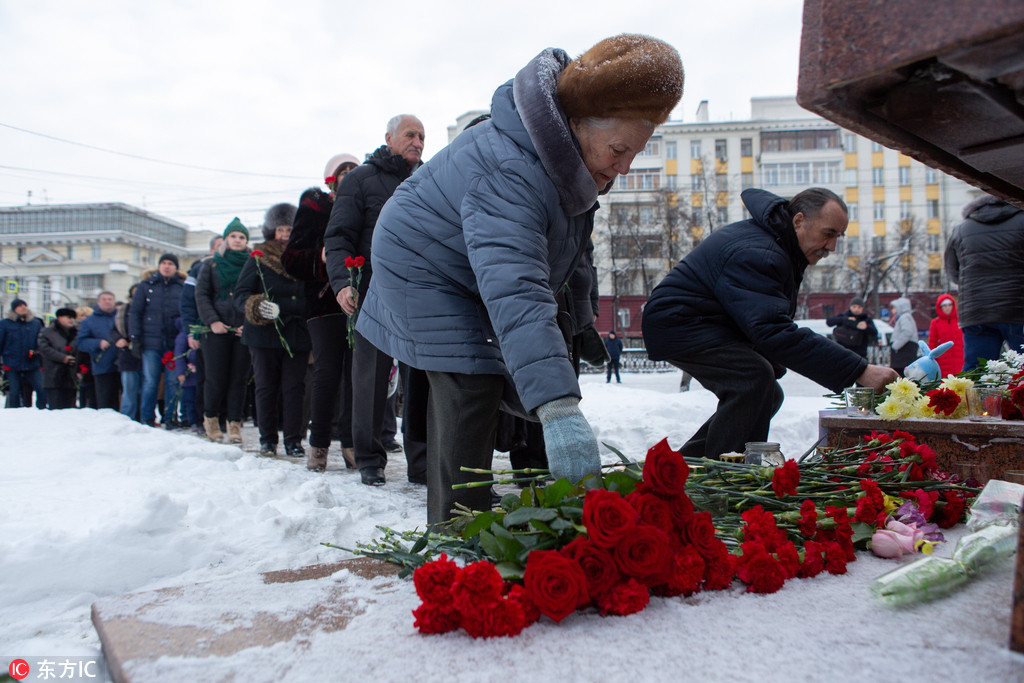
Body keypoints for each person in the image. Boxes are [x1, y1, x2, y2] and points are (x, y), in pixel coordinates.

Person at [357, 34, 683, 523]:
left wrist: (579, 331)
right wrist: (557, 407)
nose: (625, 166)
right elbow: (517, 286)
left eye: (634, 154)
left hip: (464, 267)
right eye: (619, 149)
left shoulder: (568, 167)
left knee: (505, 379)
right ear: (576, 124)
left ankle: (474, 516)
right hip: (421, 265)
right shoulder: (514, 169)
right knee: (472, 382)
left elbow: (559, 264)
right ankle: (458, 536)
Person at [643, 187, 899, 461]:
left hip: (701, 322)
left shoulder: (778, 245)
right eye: (828, 234)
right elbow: (772, 329)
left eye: (838, 236)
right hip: (680, 322)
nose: (832, 247)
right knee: (752, 380)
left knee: (765, 393)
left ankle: (686, 468)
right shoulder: (761, 252)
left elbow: (764, 320)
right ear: (799, 221)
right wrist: (858, 370)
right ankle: (723, 478)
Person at [324, 115, 427, 487]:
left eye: (422, 136)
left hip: (420, 293)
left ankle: (422, 461)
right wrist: (341, 283)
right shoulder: (360, 180)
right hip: (371, 290)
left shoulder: (428, 180)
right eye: (410, 135)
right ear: (388, 138)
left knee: (421, 380)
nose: (417, 141)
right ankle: (369, 459)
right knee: (369, 377)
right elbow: (337, 238)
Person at [282, 153, 360, 472]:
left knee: (358, 376)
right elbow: (292, 259)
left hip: (358, 302)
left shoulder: (364, 206)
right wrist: (323, 257)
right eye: (343, 171)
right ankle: (319, 446)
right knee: (327, 373)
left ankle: (355, 443)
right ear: (331, 178)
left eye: (355, 171)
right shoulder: (314, 207)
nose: (349, 175)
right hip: (324, 302)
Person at [236, 203, 311, 457]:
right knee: (266, 387)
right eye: (280, 229)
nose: (285, 234)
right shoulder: (258, 257)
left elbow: (312, 293)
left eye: (290, 228)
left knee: (294, 388)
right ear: (272, 231)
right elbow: (241, 294)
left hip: (297, 332)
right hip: (264, 333)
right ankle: (267, 439)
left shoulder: (304, 256)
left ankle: (293, 440)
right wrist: (257, 306)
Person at [944, 194, 1024, 370]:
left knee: (978, 372)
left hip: (976, 311)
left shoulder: (961, 229)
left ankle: (977, 398)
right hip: (1018, 310)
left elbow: (953, 272)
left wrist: (975, 286)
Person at [196, 218, 251, 444]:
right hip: (216, 330)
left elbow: (256, 295)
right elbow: (201, 295)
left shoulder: (252, 264)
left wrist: (248, 323)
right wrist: (212, 321)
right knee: (216, 378)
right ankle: (211, 420)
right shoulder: (211, 265)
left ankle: (234, 424)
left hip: (242, 329)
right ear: (226, 239)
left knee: (238, 379)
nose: (237, 240)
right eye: (233, 236)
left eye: (242, 237)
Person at [131, 253, 185, 426]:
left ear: (176, 267)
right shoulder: (146, 286)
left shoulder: (182, 287)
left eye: (170, 263)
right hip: (150, 342)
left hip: (174, 342)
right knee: (150, 381)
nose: (167, 266)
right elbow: (135, 313)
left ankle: (170, 417)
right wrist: (135, 337)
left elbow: (187, 311)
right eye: (163, 263)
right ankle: (147, 417)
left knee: (172, 382)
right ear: (159, 266)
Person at [181, 235, 223, 432]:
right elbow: (188, 303)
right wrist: (191, 332)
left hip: (229, 329)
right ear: (212, 250)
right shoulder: (200, 268)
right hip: (204, 328)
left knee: (227, 377)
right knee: (205, 377)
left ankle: (223, 419)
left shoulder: (240, 265)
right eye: (219, 246)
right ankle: (200, 419)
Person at [75, 291, 120, 409]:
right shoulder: (89, 321)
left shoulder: (120, 318)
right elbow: (80, 342)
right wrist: (97, 343)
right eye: (104, 299)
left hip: (122, 364)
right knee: (105, 401)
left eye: (110, 299)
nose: (107, 302)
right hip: (102, 365)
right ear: (98, 302)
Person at [0, 298, 45, 408]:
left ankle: (42, 411)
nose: (23, 307)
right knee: (14, 391)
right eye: (19, 306)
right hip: (12, 363)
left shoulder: (35, 323)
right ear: (14, 309)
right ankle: (15, 413)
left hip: (32, 362)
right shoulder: (5, 324)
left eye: (24, 305)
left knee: (41, 388)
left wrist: (37, 352)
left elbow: (41, 341)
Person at [111, 285, 142, 420]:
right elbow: (113, 331)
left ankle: (143, 417)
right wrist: (118, 339)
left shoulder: (150, 310)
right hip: (128, 355)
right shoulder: (123, 311)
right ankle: (127, 418)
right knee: (129, 390)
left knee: (146, 390)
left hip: (145, 352)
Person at [37, 307, 78, 409]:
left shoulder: (76, 333)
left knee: (69, 408)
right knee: (55, 407)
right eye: (68, 317)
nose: (71, 320)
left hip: (70, 374)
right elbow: (44, 348)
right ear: (59, 318)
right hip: (53, 374)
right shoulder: (47, 332)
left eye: (73, 317)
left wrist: (74, 359)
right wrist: (63, 358)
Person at [928, 294, 964, 378]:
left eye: (949, 305)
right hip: (943, 362)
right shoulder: (935, 323)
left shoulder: (960, 320)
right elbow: (932, 343)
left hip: (960, 360)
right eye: (944, 305)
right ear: (940, 307)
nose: (947, 307)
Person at [888, 296, 919, 376]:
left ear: (900, 307)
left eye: (894, 308)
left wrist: (896, 345)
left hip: (903, 355)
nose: (892, 310)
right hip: (904, 355)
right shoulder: (905, 317)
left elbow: (907, 331)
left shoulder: (904, 317)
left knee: (901, 376)